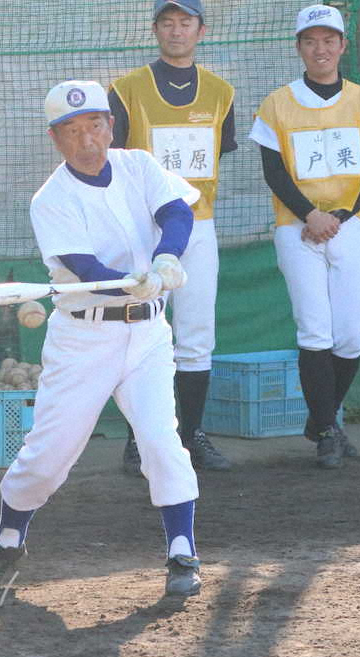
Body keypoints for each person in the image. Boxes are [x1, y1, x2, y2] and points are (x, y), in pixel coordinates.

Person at [0, 81, 203, 598]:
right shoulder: (50, 199)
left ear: (109, 127)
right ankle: (8, 539)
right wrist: (126, 280)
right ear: (56, 139)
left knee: (161, 439)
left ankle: (182, 551)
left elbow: (177, 212)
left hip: (148, 333)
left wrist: (166, 259)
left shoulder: (139, 165)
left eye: (94, 125)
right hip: (84, 337)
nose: (86, 138)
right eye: (72, 131)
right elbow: (82, 265)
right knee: (50, 452)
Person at [249, 5, 360, 468]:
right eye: (311, 41)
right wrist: (310, 215)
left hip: (348, 225)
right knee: (315, 330)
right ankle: (328, 433)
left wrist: (339, 214)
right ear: (299, 47)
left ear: (343, 46)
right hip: (297, 228)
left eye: (329, 40)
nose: (321, 49)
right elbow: (274, 171)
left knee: (351, 336)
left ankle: (322, 418)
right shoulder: (278, 102)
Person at [109, 0, 236, 474]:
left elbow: (218, 152)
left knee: (197, 333)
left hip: (198, 224)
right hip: (144, 228)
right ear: (155, 28)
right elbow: (116, 161)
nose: (176, 30)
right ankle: (137, 439)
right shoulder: (126, 90)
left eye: (185, 22)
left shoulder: (222, 92)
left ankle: (192, 434)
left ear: (201, 30)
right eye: (168, 22)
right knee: (139, 329)